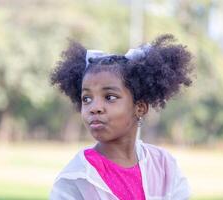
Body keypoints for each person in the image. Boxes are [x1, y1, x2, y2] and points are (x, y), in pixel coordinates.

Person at [49, 34, 194, 200]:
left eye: (110, 97)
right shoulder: (75, 179)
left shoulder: (165, 167)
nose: (94, 108)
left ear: (139, 107)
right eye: (86, 99)